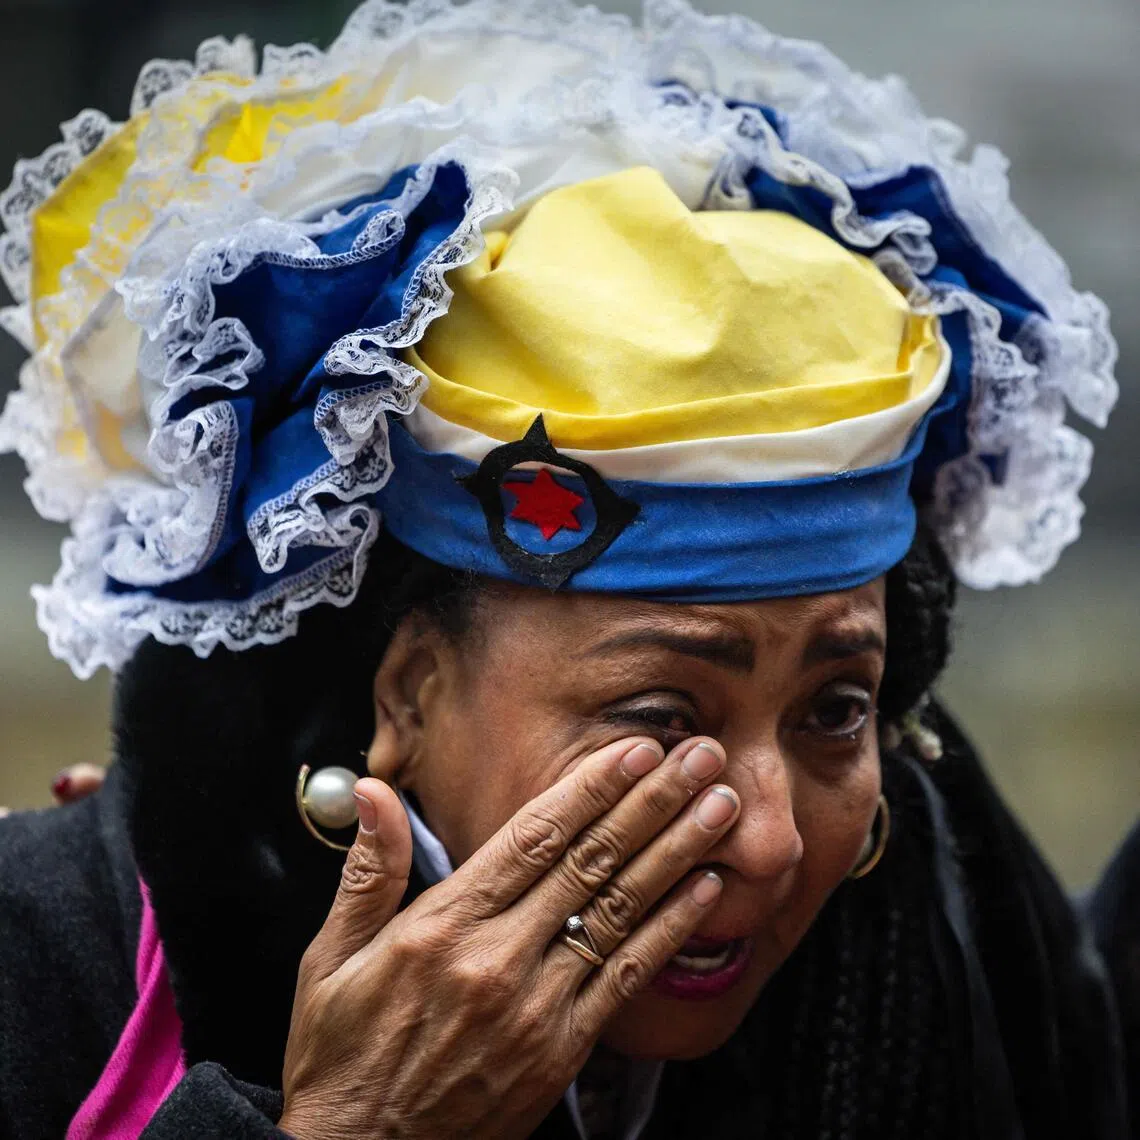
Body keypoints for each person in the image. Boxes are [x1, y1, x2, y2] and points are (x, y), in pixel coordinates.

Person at [0, 2, 1129, 1137]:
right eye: (660, 716)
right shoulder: (47, 967)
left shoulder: (959, 955)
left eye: (836, 709)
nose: (773, 836)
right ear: (407, 691)